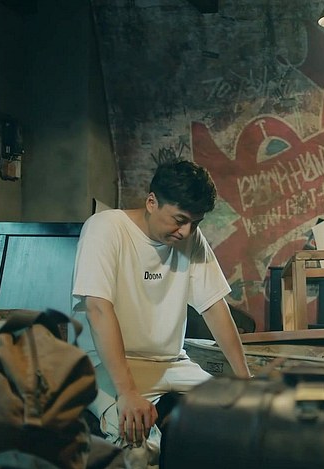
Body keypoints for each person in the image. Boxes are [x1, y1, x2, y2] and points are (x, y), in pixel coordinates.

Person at [71, 159, 251, 465]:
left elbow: (214, 307)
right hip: (105, 364)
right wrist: (127, 392)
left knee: (243, 418)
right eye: (180, 220)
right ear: (152, 202)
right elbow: (98, 309)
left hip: (172, 364)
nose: (187, 231)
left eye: (196, 223)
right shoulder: (106, 227)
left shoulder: (191, 238)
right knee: (137, 447)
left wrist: (246, 380)